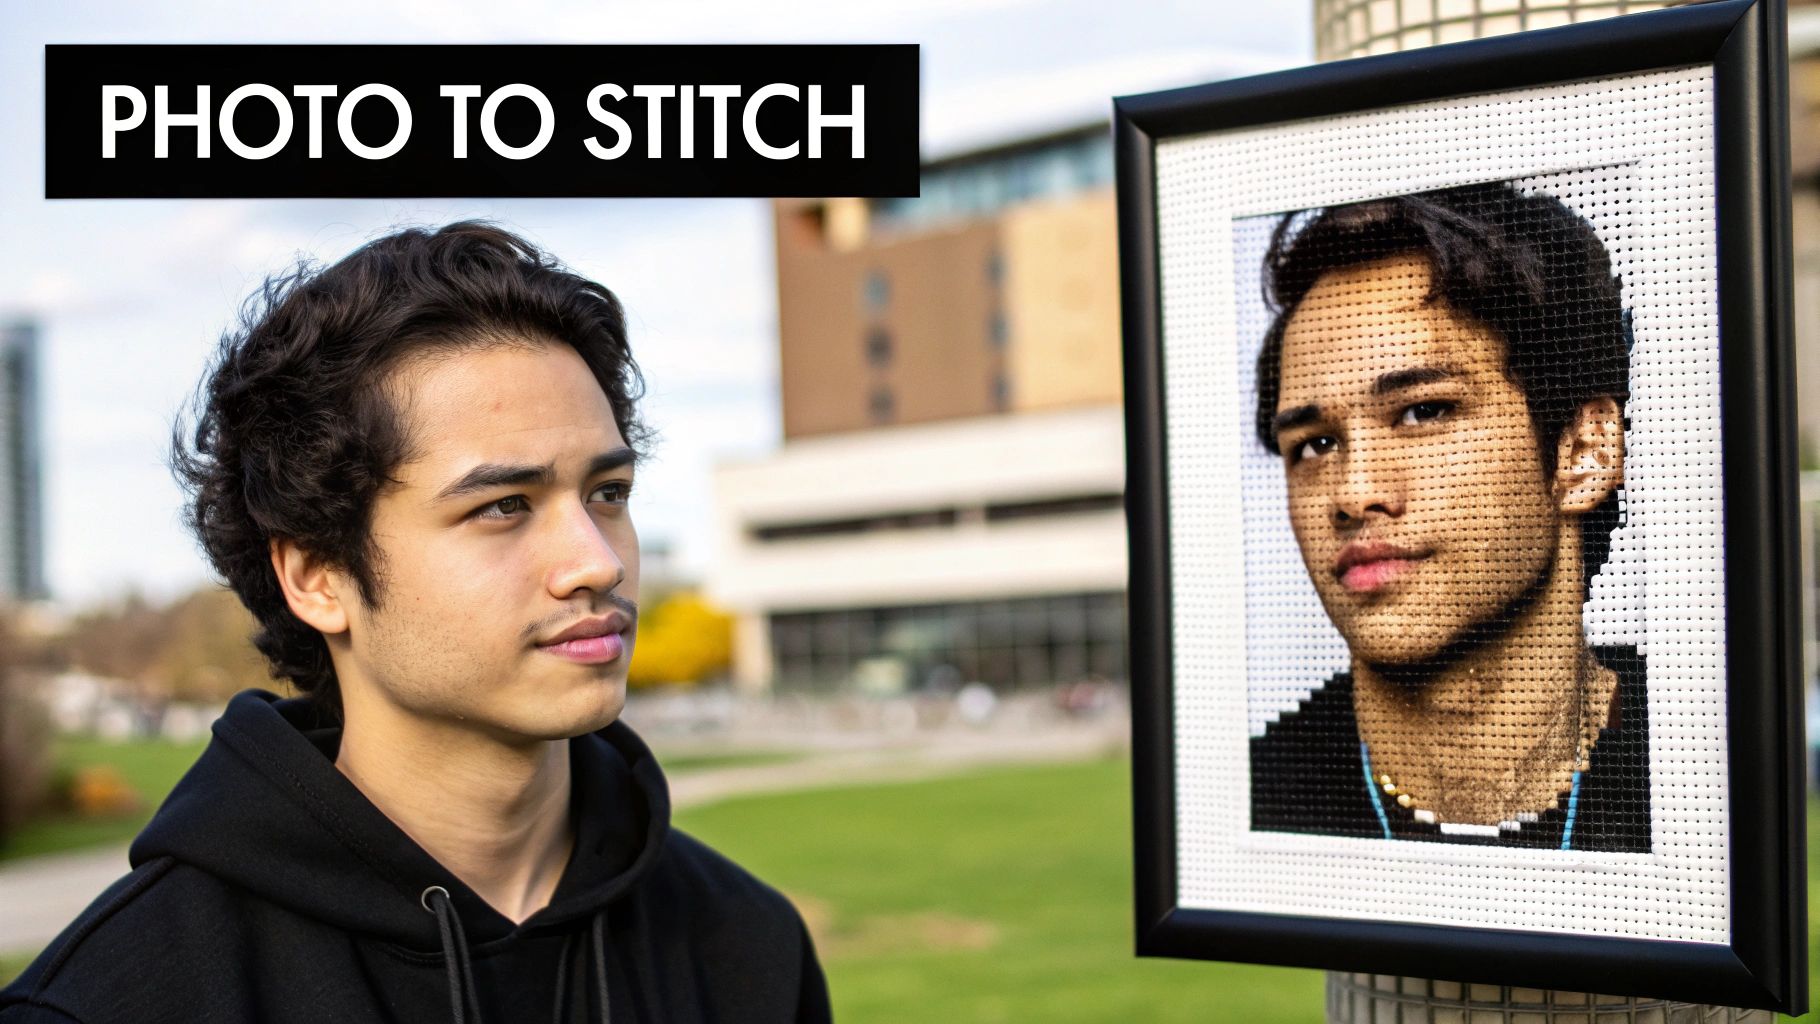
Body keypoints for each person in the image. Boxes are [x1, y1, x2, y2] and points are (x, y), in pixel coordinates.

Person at [0, 224, 831, 1023]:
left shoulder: (749, 946)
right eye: (504, 506)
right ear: (317, 578)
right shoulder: (110, 1001)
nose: (598, 563)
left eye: (607, 494)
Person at [1247, 181, 1652, 853]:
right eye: (1314, 444)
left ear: (1583, 452)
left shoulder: (1695, 770)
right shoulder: (1259, 802)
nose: (1355, 493)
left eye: (1423, 411)